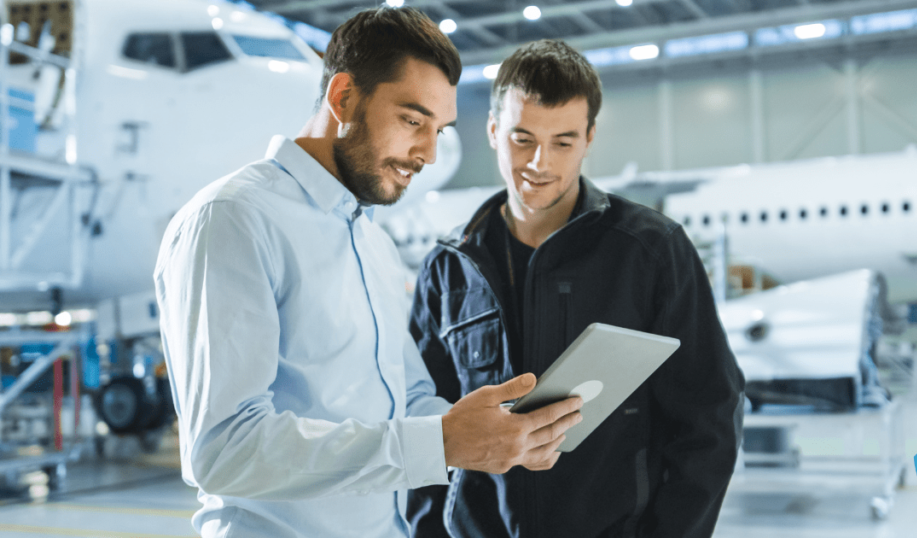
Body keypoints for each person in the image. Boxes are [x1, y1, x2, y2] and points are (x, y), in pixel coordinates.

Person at [154, 10, 582, 538]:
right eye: (411, 120)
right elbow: (224, 448)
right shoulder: (234, 218)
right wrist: (441, 442)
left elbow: (406, 403)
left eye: (438, 129)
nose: (427, 152)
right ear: (343, 99)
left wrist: (498, 430)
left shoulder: (371, 242)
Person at [407, 39, 745, 538]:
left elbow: (709, 418)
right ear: (494, 131)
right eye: (522, 139)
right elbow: (421, 425)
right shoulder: (448, 269)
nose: (540, 162)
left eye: (563, 142)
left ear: (589, 139)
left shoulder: (650, 251)